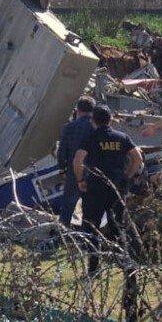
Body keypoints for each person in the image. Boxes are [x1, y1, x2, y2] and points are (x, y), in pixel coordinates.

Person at [73, 105, 143, 275]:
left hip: (95, 188)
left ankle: (93, 268)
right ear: (110, 120)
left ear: (92, 121)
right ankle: (125, 263)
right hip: (116, 188)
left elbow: (78, 160)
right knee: (119, 227)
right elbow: (137, 158)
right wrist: (128, 176)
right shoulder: (122, 137)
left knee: (92, 227)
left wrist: (81, 180)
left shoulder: (89, 137)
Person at [54, 96, 95, 226]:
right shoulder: (96, 127)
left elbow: (62, 151)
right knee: (90, 209)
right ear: (93, 111)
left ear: (78, 110)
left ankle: (61, 235)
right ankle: (87, 238)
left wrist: (62, 169)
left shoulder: (70, 127)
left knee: (67, 207)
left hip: (73, 173)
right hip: (93, 174)